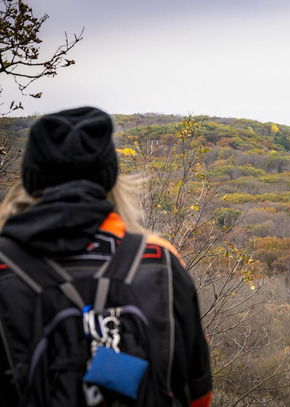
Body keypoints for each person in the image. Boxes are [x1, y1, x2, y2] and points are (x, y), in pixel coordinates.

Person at [0, 106, 212, 407]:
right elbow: (198, 394)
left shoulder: (4, 267)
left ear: (31, 181)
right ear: (111, 178)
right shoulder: (158, 260)